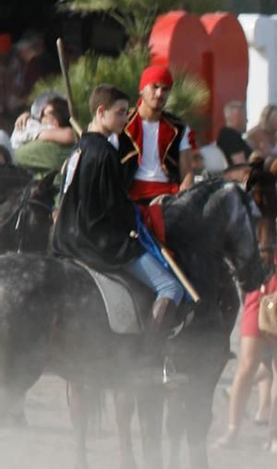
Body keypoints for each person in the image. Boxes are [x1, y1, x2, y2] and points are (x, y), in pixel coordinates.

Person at [53, 85, 188, 330]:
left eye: (127, 113)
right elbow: (114, 207)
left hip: (65, 237)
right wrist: (136, 222)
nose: (126, 119)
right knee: (171, 287)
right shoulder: (104, 153)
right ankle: (150, 354)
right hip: (96, 241)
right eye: (121, 113)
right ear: (101, 111)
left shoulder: (79, 149)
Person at [223, 170, 277, 453]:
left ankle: (274, 434)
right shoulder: (261, 222)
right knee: (247, 367)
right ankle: (233, 429)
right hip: (258, 295)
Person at [121, 62, 195, 244]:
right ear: (142, 89)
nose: (160, 94)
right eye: (155, 87)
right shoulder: (122, 124)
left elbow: (187, 174)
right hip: (130, 196)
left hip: (168, 198)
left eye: (165, 89)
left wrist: (181, 202)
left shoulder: (179, 128)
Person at [9, 92, 75, 178]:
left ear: (55, 123)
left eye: (44, 114)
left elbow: (69, 135)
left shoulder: (50, 145)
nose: (39, 116)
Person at [215, 98, 252, 167]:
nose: (246, 121)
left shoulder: (233, 136)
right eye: (244, 117)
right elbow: (240, 164)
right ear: (234, 117)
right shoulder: (230, 136)